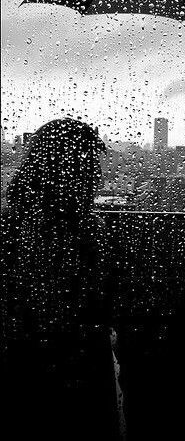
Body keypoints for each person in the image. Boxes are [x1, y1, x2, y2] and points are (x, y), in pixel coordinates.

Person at [1, 118, 119, 440]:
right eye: (89, 166)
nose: (97, 177)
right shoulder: (84, 233)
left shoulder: (12, 226)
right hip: (72, 379)